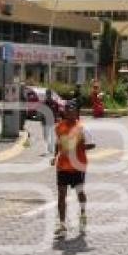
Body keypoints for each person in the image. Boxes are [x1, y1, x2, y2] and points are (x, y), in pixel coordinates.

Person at [52, 101, 95, 238]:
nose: (70, 112)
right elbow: (58, 143)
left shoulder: (82, 128)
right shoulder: (59, 127)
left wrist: (79, 146)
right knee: (61, 195)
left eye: (73, 110)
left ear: (76, 113)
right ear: (64, 112)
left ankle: (82, 214)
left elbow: (92, 144)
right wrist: (55, 156)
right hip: (63, 166)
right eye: (68, 110)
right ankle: (62, 225)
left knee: (80, 193)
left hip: (78, 166)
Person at [41, 89, 60, 155]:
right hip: (45, 122)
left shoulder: (55, 103)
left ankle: (51, 149)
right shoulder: (43, 103)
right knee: (46, 136)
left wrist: (57, 118)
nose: (48, 95)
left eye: (49, 94)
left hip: (52, 122)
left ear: (51, 94)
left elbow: (58, 112)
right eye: (47, 94)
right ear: (46, 95)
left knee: (52, 136)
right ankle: (48, 148)